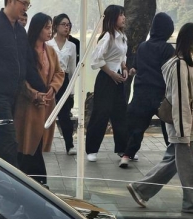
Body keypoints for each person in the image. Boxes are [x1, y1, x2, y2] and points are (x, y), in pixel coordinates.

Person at [126, 23, 193, 214]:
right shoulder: (180, 65)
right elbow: (180, 100)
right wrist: (184, 133)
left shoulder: (189, 62)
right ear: (192, 40)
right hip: (186, 128)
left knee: (174, 162)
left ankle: (141, 189)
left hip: (190, 126)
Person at [0, 0, 43, 167]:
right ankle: (12, 180)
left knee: (1, 142)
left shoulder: (20, 31)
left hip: (16, 94)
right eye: (23, 3)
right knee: (9, 141)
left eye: (28, 4)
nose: (25, 8)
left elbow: (27, 64)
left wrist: (43, 88)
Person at [120, 12, 175, 168]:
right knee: (168, 126)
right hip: (160, 94)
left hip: (141, 93)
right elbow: (170, 72)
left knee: (137, 128)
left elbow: (136, 67)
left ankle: (126, 156)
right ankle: (173, 157)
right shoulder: (168, 49)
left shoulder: (143, 46)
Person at [16, 13, 64, 186]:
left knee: (38, 143)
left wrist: (53, 87)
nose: (50, 31)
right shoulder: (26, 50)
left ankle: (34, 182)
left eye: (51, 27)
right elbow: (21, 79)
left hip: (47, 102)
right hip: (29, 105)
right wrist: (34, 94)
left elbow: (59, 72)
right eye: (47, 27)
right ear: (37, 29)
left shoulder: (50, 51)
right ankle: (38, 182)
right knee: (28, 144)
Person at [85, 5, 129, 163]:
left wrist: (124, 68)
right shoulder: (107, 37)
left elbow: (122, 56)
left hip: (118, 78)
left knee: (120, 113)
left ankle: (122, 149)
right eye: (120, 15)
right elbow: (96, 59)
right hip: (106, 79)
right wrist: (111, 74)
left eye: (123, 15)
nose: (123, 18)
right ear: (112, 17)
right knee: (101, 113)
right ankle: (91, 149)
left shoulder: (122, 36)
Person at [48, 14, 78, 155]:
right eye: (64, 24)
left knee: (65, 114)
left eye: (68, 25)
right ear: (56, 26)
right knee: (45, 112)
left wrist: (71, 90)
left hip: (64, 79)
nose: (66, 27)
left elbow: (72, 69)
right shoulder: (48, 44)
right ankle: (41, 143)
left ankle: (69, 145)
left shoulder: (71, 46)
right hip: (49, 79)